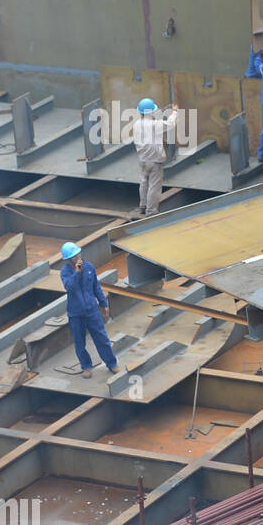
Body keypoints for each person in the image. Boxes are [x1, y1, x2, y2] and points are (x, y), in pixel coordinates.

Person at [59, 242, 119, 379]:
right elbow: (69, 287)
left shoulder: (89, 267)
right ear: (68, 259)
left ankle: (111, 363)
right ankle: (86, 366)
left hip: (92, 311)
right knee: (79, 342)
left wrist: (104, 304)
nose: (77, 257)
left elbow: (96, 287)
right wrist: (76, 273)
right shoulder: (65, 272)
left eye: (78, 254)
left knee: (102, 338)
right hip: (76, 314)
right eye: (74, 256)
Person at [133, 97, 177, 215]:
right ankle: (151, 211)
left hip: (143, 160)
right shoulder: (154, 125)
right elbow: (170, 124)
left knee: (144, 182)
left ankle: (143, 206)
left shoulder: (137, 124)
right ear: (151, 111)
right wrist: (174, 112)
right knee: (154, 186)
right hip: (155, 160)